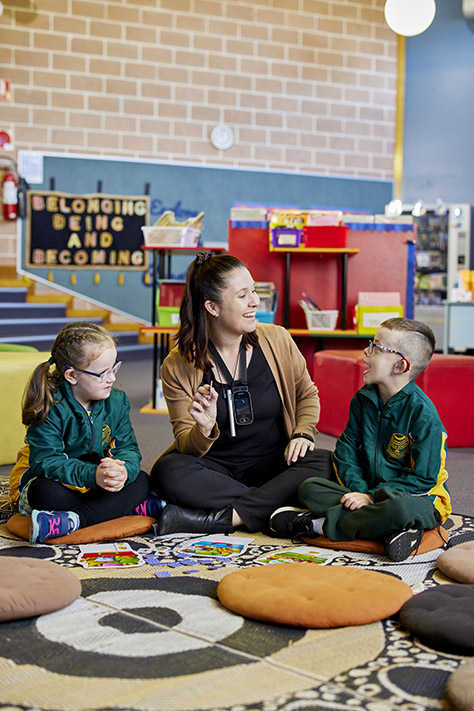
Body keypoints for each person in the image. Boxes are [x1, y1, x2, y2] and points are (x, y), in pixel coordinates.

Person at [149, 252, 333, 535]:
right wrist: (204, 429)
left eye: (254, 291)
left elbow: (307, 394)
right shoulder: (177, 364)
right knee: (167, 473)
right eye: (242, 295)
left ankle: (225, 518)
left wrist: (302, 433)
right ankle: (274, 506)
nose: (255, 301)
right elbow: (187, 446)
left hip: (275, 461)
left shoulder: (278, 339)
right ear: (212, 307)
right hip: (216, 468)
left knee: (324, 462)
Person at [270, 317, 452, 562]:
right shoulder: (363, 399)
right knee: (310, 489)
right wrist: (360, 491)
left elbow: (423, 480)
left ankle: (320, 526)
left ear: (400, 366)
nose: (366, 352)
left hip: (419, 499)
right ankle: (389, 531)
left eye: (376, 348)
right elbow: (345, 449)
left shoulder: (423, 413)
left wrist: (371, 497)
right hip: (367, 488)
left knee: (398, 509)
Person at [9, 321, 156, 544]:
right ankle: (116, 509)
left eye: (114, 368)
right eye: (103, 373)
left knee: (141, 480)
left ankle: (74, 520)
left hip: (95, 482)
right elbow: (46, 462)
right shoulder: (49, 405)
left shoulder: (117, 401)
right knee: (43, 493)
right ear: (72, 376)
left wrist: (123, 471)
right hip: (57, 482)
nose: (112, 378)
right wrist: (93, 475)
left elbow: (128, 449)